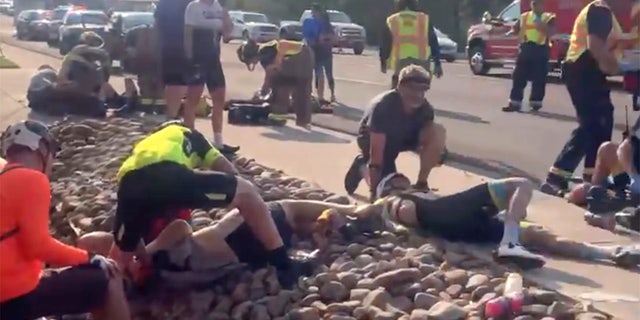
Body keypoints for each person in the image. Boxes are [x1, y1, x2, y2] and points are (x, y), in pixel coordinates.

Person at [108, 120, 307, 288]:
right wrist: (233, 192)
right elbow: (225, 168)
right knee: (247, 193)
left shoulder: (144, 145)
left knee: (119, 254)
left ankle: (116, 292)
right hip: (168, 175)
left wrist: (142, 256)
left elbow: (135, 224)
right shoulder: (188, 134)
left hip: (129, 184)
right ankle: (284, 266)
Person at [0, 120, 131, 320]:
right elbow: (38, 246)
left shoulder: (4, 180)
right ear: (42, 149)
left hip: (8, 290)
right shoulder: (31, 179)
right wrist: (90, 258)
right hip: (12, 296)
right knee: (107, 277)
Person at [370, 172, 640, 268]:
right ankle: (510, 242)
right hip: (448, 213)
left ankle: (611, 253)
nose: (404, 180)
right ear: (391, 188)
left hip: (462, 226)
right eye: (398, 180)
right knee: (522, 184)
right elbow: (354, 211)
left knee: (537, 235)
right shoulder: (394, 200)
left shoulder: (404, 204)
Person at [77, 199, 375, 281]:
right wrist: (148, 251)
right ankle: (352, 213)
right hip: (240, 233)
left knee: (295, 223)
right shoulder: (152, 258)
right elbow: (181, 226)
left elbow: (180, 229)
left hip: (247, 250)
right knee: (291, 212)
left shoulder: (148, 271)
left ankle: (332, 223)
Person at [541, 0, 626, 195]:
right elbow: (595, 46)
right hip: (585, 70)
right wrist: (615, 67)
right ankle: (593, 181)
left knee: (591, 125)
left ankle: (562, 176)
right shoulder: (600, 10)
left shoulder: (601, 10)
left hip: (582, 71)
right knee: (599, 122)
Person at [343, 65, 446, 201]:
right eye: (412, 88)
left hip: (401, 137)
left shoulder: (425, 110)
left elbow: (430, 141)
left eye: (422, 90)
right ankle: (362, 166)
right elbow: (377, 153)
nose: (417, 94)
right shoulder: (383, 107)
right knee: (388, 188)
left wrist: (436, 154)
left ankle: (421, 184)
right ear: (400, 87)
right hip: (371, 139)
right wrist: (374, 192)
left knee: (438, 131)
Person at [183, 0, 238, 155]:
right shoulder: (194, 7)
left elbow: (227, 36)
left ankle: (218, 141)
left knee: (219, 97)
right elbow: (187, 33)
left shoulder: (218, 7)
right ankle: (190, 138)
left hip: (214, 59)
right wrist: (189, 57)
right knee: (193, 98)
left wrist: (226, 19)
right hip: (197, 58)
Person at [237, 39, 315, 128]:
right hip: (302, 57)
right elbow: (271, 73)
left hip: (301, 56)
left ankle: (284, 119)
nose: (251, 62)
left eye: (249, 60)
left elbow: (272, 71)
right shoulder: (264, 54)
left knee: (285, 87)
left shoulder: (265, 51)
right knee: (293, 89)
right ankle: (297, 120)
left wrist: (264, 90)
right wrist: (265, 89)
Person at [502, 0, 555, 112]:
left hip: (541, 50)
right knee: (518, 76)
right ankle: (515, 103)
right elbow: (516, 28)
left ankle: (535, 102)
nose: (535, 6)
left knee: (539, 78)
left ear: (542, 5)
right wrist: (511, 32)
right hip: (526, 50)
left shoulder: (548, 17)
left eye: (538, 3)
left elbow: (551, 32)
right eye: (534, 3)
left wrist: (542, 26)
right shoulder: (524, 16)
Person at [379, 0, 443, 89]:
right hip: (422, 62)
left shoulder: (392, 20)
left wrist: (383, 62)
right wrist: (437, 64)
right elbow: (433, 41)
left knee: (397, 92)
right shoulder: (424, 19)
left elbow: (385, 44)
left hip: (401, 62)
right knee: (419, 91)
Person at [304, 3, 336, 104]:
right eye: (312, 11)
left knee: (329, 74)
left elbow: (332, 37)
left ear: (319, 12)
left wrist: (323, 39)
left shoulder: (326, 24)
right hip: (316, 53)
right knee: (318, 75)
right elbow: (308, 37)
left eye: (314, 11)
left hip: (326, 53)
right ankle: (320, 96)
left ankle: (332, 94)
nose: (313, 13)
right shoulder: (309, 22)